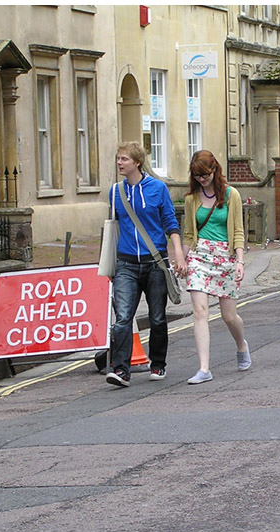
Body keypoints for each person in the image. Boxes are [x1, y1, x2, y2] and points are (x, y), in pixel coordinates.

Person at [106, 142, 187, 387]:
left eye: (124, 159)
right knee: (122, 318)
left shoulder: (158, 189)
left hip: (155, 263)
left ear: (137, 163)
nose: (120, 163)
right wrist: (110, 265)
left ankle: (158, 364)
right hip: (126, 264)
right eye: (118, 159)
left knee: (157, 317)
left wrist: (178, 255)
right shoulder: (114, 192)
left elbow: (170, 222)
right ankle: (121, 370)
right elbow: (113, 228)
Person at [181, 150, 251, 384]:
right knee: (200, 312)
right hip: (200, 257)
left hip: (226, 257)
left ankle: (241, 345)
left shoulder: (232, 195)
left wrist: (240, 261)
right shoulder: (191, 199)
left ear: (214, 170)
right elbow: (189, 234)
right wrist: (182, 259)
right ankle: (204, 369)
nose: (202, 179)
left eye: (205, 174)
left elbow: (238, 231)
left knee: (229, 316)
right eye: (197, 176)